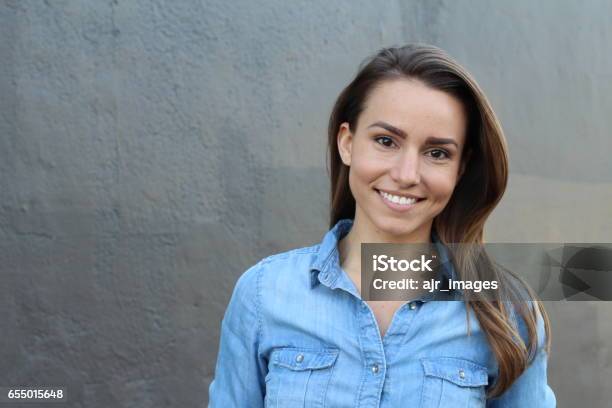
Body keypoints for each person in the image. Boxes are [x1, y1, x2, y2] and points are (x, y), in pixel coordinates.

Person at [208, 44, 556, 407]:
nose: (406, 175)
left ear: (461, 168)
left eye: (437, 153)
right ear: (347, 143)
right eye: (386, 141)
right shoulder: (264, 295)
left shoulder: (506, 312)